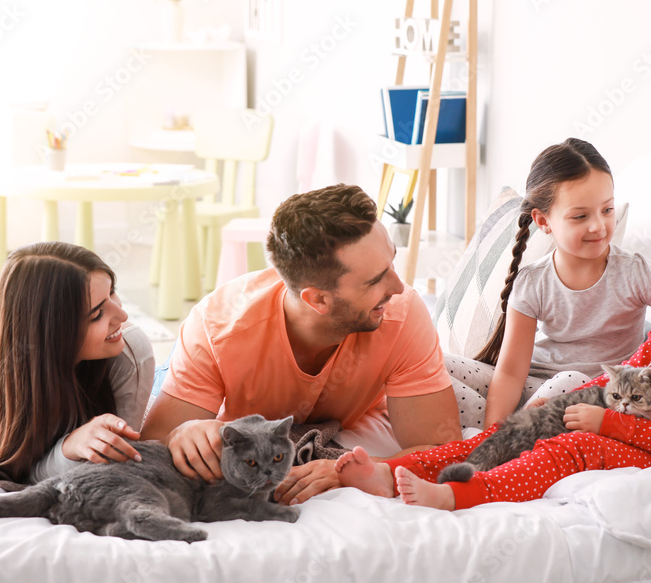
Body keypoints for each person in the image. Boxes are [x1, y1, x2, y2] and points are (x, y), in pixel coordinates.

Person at [336, 195, 651, 510]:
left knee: (567, 449)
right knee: (516, 429)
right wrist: (576, 398)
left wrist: (607, 421)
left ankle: (458, 494)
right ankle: (392, 471)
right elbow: (629, 371)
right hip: (616, 417)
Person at [141, 184, 461, 505]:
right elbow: (154, 448)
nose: (398, 286)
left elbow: (444, 453)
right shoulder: (215, 328)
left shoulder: (401, 313)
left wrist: (346, 471)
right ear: (318, 299)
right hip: (199, 377)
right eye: (375, 280)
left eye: (391, 264)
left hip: (359, 416)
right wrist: (182, 433)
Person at [468, 138, 651, 429]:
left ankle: (513, 435)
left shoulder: (634, 271)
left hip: (592, 396)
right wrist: (493, 428)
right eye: (580, 216)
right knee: (440, 367)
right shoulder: (532, 282)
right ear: (543, 221)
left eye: (607, 210)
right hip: (532, 389)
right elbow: (510, 374)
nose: (598, 225)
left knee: (571, 379)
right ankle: (485, 436)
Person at [0, 242, 154, 483]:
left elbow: (115, 465)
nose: (123, 315)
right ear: (52, 331)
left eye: (112, 292)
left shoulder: (131, 351)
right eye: (97, 314)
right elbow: (7, 467)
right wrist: (68, 448)